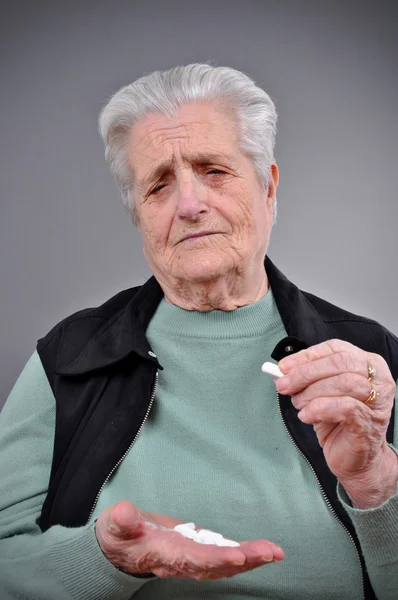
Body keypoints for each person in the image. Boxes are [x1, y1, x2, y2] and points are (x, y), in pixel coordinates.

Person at [0, 63, 397, 600]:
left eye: (214, 170)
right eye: (159, 185)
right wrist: (108, 558)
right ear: (138, 215)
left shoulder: (369, 360)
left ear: (269, 188)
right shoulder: (70, 357)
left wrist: (375, 479)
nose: (189, 205)